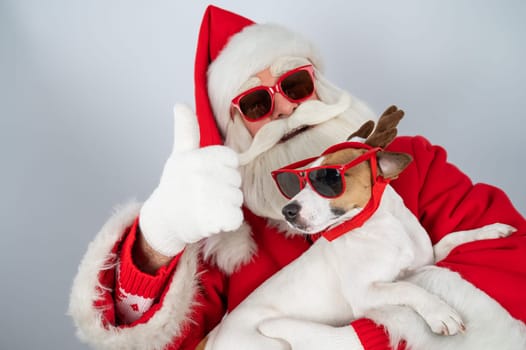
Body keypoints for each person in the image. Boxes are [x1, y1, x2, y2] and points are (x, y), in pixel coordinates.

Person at [69, 5, 526, 350]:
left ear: (320, 88)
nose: (286, 108)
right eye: (255, 104)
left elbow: (507, 263)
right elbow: (161, 343)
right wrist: (158, 239)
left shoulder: (409, 161)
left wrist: (364, 339)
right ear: (235, 132)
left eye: (295, 85)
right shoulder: (223, 231)